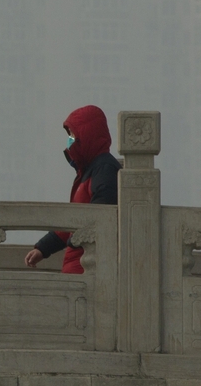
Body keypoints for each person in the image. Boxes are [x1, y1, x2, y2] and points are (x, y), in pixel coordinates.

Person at [25, 105, 121, 274]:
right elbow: (74, 221)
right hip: (78, 263)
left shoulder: (104, 169)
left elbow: (99, 219)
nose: (70, 139)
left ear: (87, 134)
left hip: (86, 264)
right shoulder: (88, 171)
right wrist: (43, 248)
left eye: (72, 134)